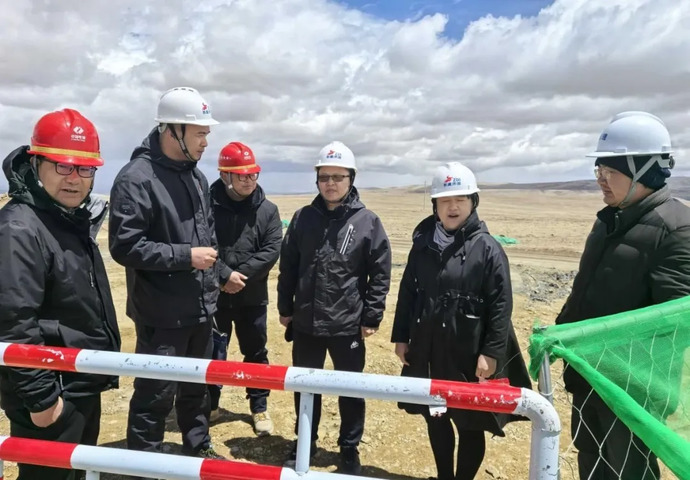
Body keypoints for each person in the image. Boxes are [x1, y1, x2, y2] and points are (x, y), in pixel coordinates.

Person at [556, 111, 690, 480]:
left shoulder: (676, 229)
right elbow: (587, 288)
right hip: (589, 375)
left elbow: (671, 324)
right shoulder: (609, 220)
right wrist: (564, 327)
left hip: (632, 390)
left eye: (610, 170)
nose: (600, 178)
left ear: (645, 171)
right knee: (591, 458)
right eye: (598, 168)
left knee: (629, 470)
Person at [0, 109, 121, 480]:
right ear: (36, 163)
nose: (75, 178)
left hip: (77, 381)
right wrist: (42, 401)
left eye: (85, 169)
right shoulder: (20, 229)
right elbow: (13, 320)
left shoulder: (62, 217)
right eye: (63, 166)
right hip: (52, 393)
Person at [391, 162, 531, 480]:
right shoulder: (422, 245)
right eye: (445, 200)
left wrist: (491, 353)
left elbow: (501, 306)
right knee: (437, 416)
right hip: (430, 350)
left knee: (470, 424)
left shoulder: (488, 249)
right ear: (435, 205)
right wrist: (401, 336)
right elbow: (408, 292)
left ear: (473, 202)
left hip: (469, 355)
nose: (452, 207)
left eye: (460, 199)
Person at [109, 87, 224, 461]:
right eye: (200, 133)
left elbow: (207, 237)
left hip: (200, 310)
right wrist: (186, 257)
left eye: (206, 133)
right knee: (155, 393)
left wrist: (219, 274)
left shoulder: (196, 178)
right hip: (161, 314)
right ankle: (145, 461)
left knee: (196, 387)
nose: (206, 142)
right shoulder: (136, 179)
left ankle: (197, 448)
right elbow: (125, 246)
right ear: (173, 130)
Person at [277, 141, 392, 474]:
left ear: (351, 179)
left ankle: (349, 448)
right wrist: (286, 307)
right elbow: (289, 267)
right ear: (317, 179)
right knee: (305, 387)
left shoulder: (367, 221)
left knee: (350, 389)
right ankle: (306, 441)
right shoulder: (303, 218)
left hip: (347, 324)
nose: (330, 183)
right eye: (324, 177)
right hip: (306, 323)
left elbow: (380, 272)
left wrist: (371, 316)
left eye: (338, 177)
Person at [208, 142, 282, 435]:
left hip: (252, 297)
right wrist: (223, 276)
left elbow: (271, 250)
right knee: (213, 352)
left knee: (256, 352)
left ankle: (259, 406)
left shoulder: (268, 210)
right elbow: (199, 243)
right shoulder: (205, 207)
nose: (250, 180)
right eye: (242, 175)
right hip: (214, 295)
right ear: (224, 175)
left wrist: (238, 278)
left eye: (253, 174)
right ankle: (210, 405)